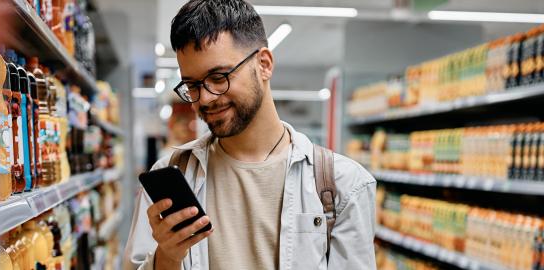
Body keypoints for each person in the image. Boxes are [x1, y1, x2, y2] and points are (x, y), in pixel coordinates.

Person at [124, 0, 377, 269]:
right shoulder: (171, 173)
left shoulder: (343, 185)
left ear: (264, 64)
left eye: (219, 77)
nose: (206, 98)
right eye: (192, 85)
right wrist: (167, 257)